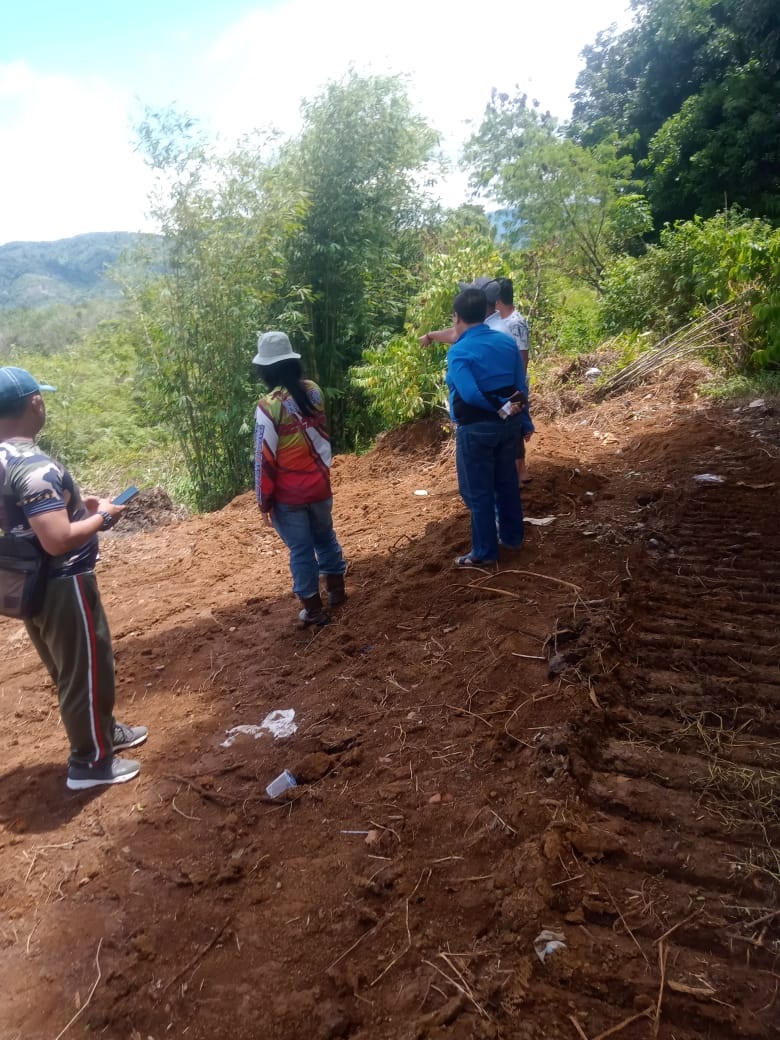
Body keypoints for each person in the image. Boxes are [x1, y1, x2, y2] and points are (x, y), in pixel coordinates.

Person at [0, 366, 148, 791]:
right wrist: (101, 517)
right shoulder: (33, 463)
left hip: (26, 583)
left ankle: (103, 731)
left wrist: (75, 504)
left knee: (70, 667)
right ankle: (90, 763)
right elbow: (58, 538)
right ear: (34, 403)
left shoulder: (5, 459)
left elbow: (21, 516)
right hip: (63, 581)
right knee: (86, 668)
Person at [253, 331, 347, 627]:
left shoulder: (268, 406)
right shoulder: (314, 391)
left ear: (266, 370)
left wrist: (263, 501)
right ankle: (336, 592)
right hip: (320, 485)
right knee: (326, 537)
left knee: (302, 550)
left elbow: (263, 458)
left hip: (289, 496)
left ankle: (313, 610)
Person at [445, 288, 533, 567]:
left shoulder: (459, 351)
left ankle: (484, 552)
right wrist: (523, 418)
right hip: (509, 427)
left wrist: (496, 406)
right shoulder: (506, 343)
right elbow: (521, 385)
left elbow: (469, 394)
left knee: (476, 492)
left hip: (476, 430)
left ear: (457, 317)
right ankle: (512, 538)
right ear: (486, 312)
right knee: (506, 483)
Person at [496, 277, 533, 484]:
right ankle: (515, 470)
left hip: (514, 386)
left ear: (498, 301)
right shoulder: (502, 322)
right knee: (506, 421)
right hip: (507, 385)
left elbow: (523, 356)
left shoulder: (515, 323)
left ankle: (521, 472)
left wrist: (517, 389)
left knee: (515, 424)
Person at [419, 276, 509, 347]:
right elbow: (455, 334)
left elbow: (457, 336)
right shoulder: (488, 322)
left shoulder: (495, 330)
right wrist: (429, 336)